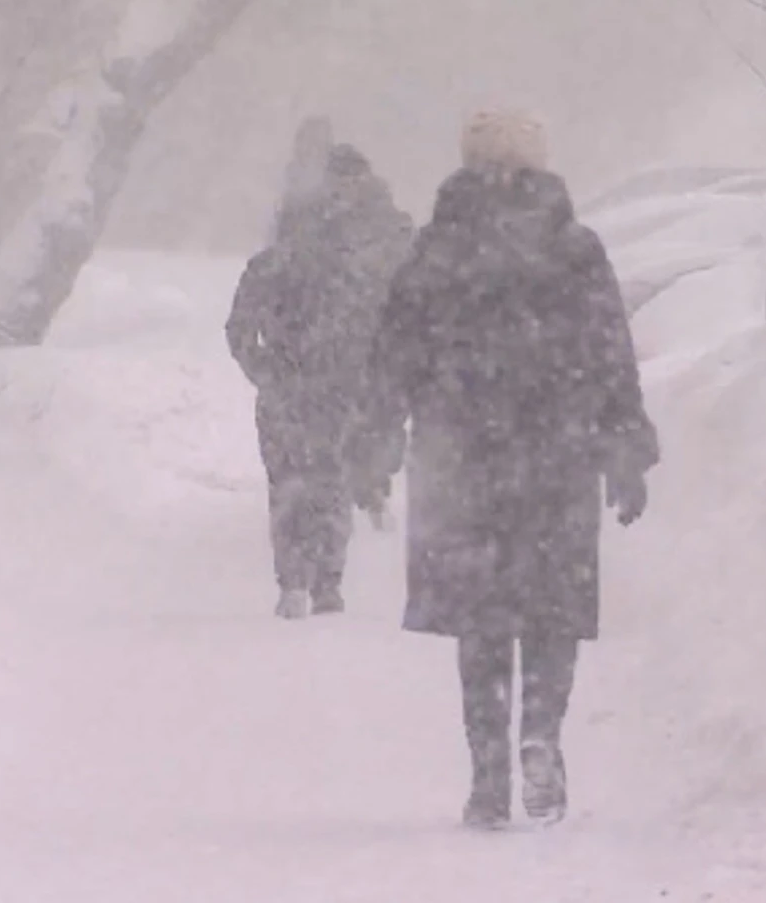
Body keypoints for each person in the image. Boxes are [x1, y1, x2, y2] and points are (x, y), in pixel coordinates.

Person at [354, 110, 657, 829]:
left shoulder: (437, 249)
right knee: (552, 612)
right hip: (558, 457)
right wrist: (625, 449)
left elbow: (396, 352)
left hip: (462, 462)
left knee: (481, 625)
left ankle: (488, 777)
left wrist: (376, 438)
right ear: (540, 165)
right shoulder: (575, 249)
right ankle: (541, 736)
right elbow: (610, 352)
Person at [228, 132, 415, 619]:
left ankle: (294, 579)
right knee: (328, 477)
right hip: (335, 387)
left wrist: (266, 371)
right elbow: (376, 321)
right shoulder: (350, 264)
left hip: (290, 389)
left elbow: (241, 326)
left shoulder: (275, 262)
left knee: (289, 481)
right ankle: (327, 579)